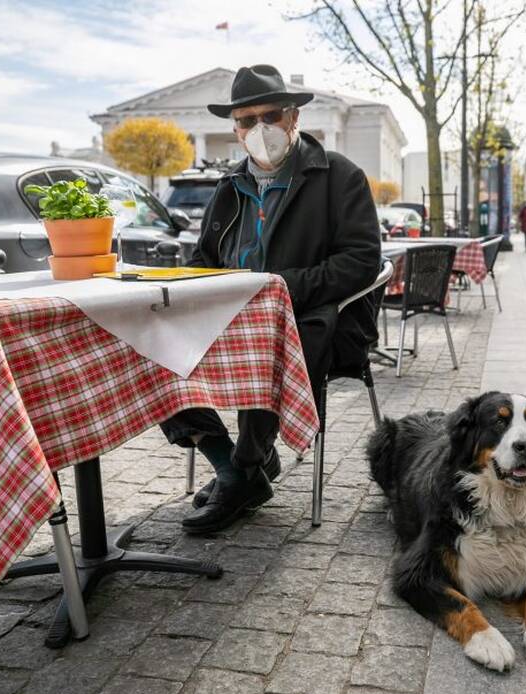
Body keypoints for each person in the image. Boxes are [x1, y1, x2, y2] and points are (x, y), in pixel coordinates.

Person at [159, 65, 381, 534]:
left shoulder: (338, 176)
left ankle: (246, 465)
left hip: (312, 320)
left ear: (293, 116)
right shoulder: (227, 187)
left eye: (271, 115)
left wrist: (276, 287)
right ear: (235, 128)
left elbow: (360, 261)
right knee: (150, 344)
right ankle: (232, 467)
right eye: (245, 120)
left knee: (265, 340)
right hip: (230, 317)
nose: (258, 128)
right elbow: (204, 259)